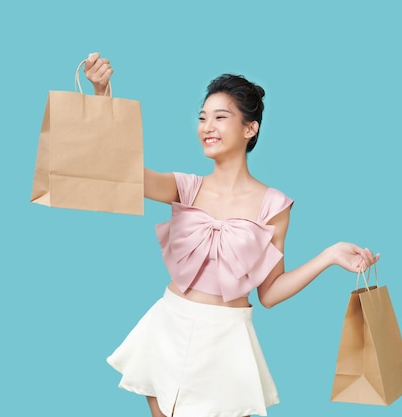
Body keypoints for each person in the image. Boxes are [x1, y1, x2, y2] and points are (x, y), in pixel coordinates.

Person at [84, 52, 379, 417]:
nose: (207, 126)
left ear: (249, 128)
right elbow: (121, 169)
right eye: (202, 118)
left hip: (225, 341)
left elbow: (269, 293)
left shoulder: (274, 205)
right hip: (169, 327)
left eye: (221, 117)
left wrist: (329, 256)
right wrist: (102, 95)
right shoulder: (185, 187)